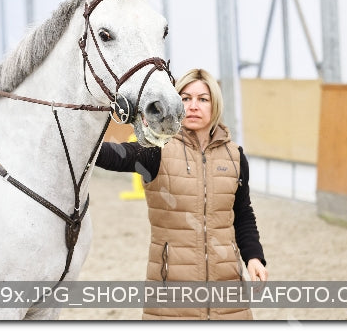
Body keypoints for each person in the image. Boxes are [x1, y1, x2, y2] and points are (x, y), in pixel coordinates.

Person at [97, 68, 267, 319]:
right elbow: (114, 155)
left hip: (229, 296)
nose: (193, 106)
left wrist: (254, 256)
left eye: (203, 99)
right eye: (185, 98)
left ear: (215, 104)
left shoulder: (235, 156)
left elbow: (242, 213)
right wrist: (81, 140)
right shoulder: (156, 151)